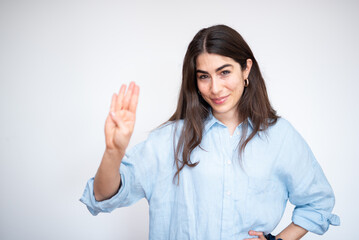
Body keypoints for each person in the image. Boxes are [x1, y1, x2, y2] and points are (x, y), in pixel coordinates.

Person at [80, 25, 340, 240]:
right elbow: (102, 196)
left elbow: (318, 202)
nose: (215, 88)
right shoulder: (169, 140)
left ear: (246, 69)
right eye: (204, 76)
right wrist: (114, 151)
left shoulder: (280, 137)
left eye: (224, 72)